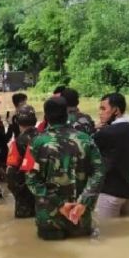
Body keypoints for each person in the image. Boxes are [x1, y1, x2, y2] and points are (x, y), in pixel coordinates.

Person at [26, 97, 105, 240]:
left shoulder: (36, 143)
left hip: (49, 217)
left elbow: (31, 180)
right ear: (67, 114)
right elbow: (99, 172)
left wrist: (60, 205)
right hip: (79, 215)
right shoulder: (86, 139)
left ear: (46, 116)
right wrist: (84, 202)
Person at [93, 93, 129, 218]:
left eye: (104, 109)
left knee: (107, 232)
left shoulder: (104, 134)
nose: (100, 113)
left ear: (115, 110)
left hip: (110, 191)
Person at [6, 105, 38, 218]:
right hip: (43, 196)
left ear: (17, 122)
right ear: (35, 120)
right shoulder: (44, 137)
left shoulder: (18, 142)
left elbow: (11, 173)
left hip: (25, 196)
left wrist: (18, 194)